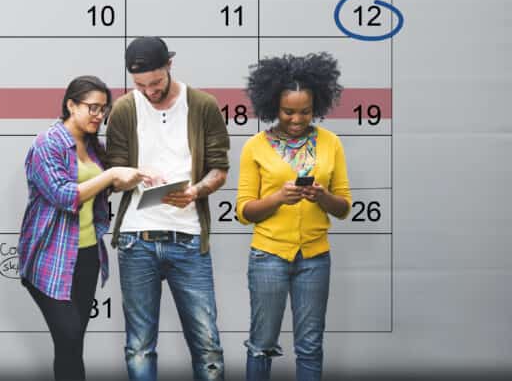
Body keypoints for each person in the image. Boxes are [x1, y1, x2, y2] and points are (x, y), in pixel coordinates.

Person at [105, 37, 229, 381]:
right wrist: (134, 176)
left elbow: (219, 169)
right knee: (139, 346)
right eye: (140, 85)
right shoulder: (125, 109)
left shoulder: (203, 105)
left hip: (189, 238)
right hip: (136, 238)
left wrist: (196, 191)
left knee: (207, 346)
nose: (149, 91)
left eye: (156, 82)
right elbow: (113, 176)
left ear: (170, 65)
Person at [19, 75, 148, 380]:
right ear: (70, 105)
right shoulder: (47, 144)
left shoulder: (92, 145)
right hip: (50, 258)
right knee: (69, 335)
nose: (98, 115)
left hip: (87, 255)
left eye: (103, 109)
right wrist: (112, 174)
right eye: (92, 107)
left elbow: (97, 191)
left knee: (72, 347)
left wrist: (132, 178)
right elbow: (65, 195)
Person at [236, 53, 352, 380]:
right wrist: (276, 198)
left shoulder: (331, 144)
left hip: (315, 258)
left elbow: (344, 207)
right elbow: (243, 211)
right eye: (289, 111)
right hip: (268, 257)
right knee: (261, 344)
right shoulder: (255, 147)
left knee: (311, 346)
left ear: (317, 107)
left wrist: (322, 196)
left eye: (306, 112)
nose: (297, 119)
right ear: (274, 105)